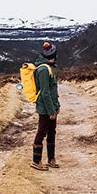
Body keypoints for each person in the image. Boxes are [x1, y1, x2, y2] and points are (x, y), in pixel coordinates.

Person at [30, 41, 60, 171]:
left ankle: (51, 159)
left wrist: (55, 107)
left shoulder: (51, 66)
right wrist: (51, 111)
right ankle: (36, 161)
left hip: (52, 106)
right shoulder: (43, 69)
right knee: (41, 132)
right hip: (45, 108)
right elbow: (46, 93)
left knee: (52, 132)